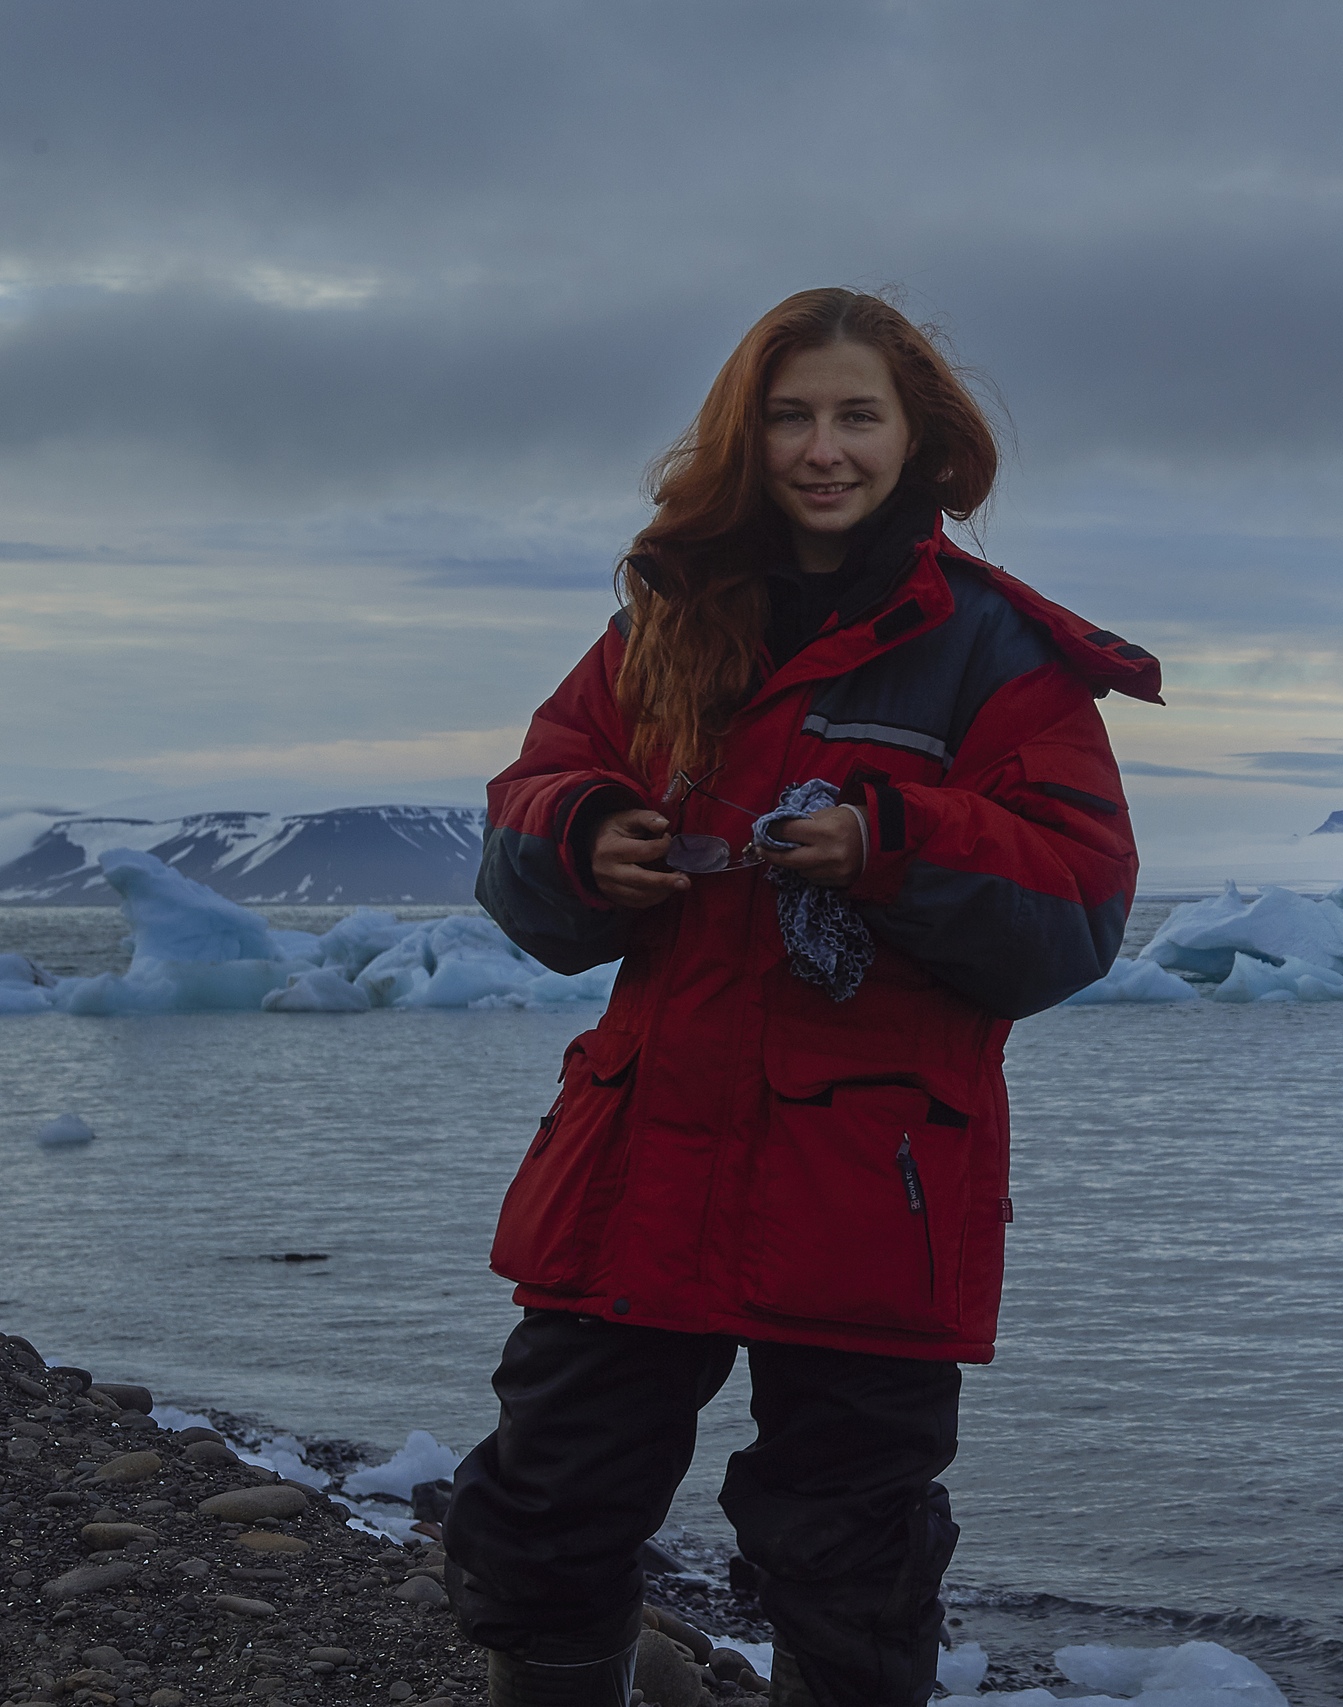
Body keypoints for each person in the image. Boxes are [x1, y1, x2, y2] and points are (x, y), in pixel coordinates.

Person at [446, 288, 1159, 1707]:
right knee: (549, 1507)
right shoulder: (666, 623)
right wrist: (585, 831)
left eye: (854, 416)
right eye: (789, 416)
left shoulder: (995, 651)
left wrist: (900, 841)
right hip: (644, 1156)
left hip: (870, 1180)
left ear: (918, 438)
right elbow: (525, 811)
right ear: (744, 434)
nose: (820, 449)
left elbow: (1077, 906)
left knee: (854, 1563)